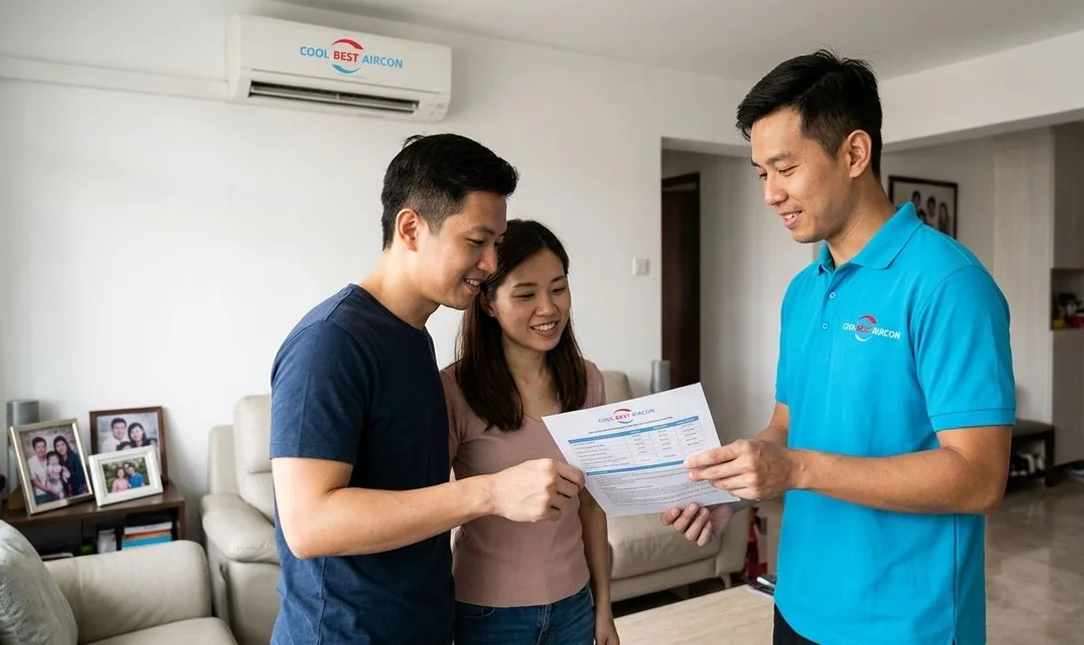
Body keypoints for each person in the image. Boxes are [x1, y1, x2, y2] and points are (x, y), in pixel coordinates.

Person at [661, 50, 1015, 645]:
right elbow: (785, 424)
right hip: (797, 602)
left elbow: (979, 479)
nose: (771, 193)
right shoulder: (804, 290)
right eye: (760, 174)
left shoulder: (950, 285)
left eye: (785, 168)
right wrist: (738, 483)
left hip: (905, 624)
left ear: (854, 153)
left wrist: (796, 468)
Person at [268, 134, 587, 645]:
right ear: (411, 227)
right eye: (476, 242)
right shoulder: (330, 343)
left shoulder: (415, 338)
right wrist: (490, 491)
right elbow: (309, 525)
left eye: (496, 244)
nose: (489, 264)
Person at [441, 219, 619, 645]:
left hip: (574, 604)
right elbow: (433, 507)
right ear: (487, 302)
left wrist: (604, 608)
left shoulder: (587, 380)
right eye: (525, 294)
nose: (548, 308)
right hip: (485, 613)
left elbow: (592, 507)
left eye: (558, 289)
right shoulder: (454, 389)